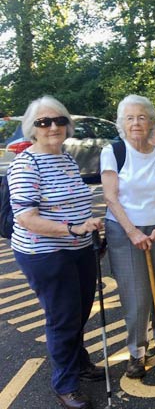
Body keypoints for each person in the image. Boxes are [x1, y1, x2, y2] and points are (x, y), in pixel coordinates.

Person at [8, 96, 103, 409]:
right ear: (32, 129)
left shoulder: (66, 157)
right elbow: (26, 218)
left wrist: (85, 228)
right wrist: (72, 229)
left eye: (59, 120)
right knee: (63, 318)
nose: (53, 127)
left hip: (78, 246)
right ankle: (65, 383)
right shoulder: (26, 163)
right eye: (43, 122)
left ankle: (80, 362)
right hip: (44, 252)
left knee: (79, 310)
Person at [101, 95, 155, 379]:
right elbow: (110, 198)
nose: (136, 123)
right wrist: (133, 231)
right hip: (124, 232)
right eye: (130, 118)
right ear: (122, 123)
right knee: (136, 297)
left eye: (142, 117)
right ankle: (137, 352)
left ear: (151, 121)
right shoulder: (114, 152)